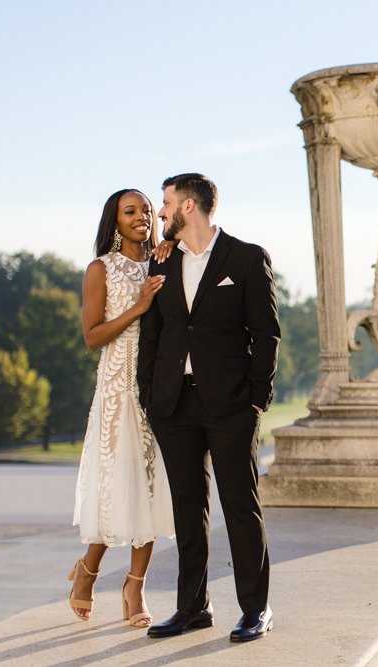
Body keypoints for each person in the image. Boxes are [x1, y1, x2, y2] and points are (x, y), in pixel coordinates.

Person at [138, 173, 281, 642]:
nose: (160, 212)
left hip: (231, 406)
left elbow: (266, 333)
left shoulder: (245, 258)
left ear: (190, 206)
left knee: (241, 505)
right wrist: (149, 395)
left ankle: (255, 609)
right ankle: (192, 607)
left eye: (165, 203)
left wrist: (256, 399)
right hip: (174, 405)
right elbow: (153, 337)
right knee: (187, 508)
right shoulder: (159, 264)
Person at [69, 189, 176, 627]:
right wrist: (139, 307)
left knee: (150, 487)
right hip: (117, 386)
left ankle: (135, 585)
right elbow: (92, 336)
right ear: (114, 221)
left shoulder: (164, 260)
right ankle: (87, 572)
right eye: (130, 211)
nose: (142, 217)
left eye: (147, 210)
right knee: (115, 486)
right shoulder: (101, 269)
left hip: (158, 386)